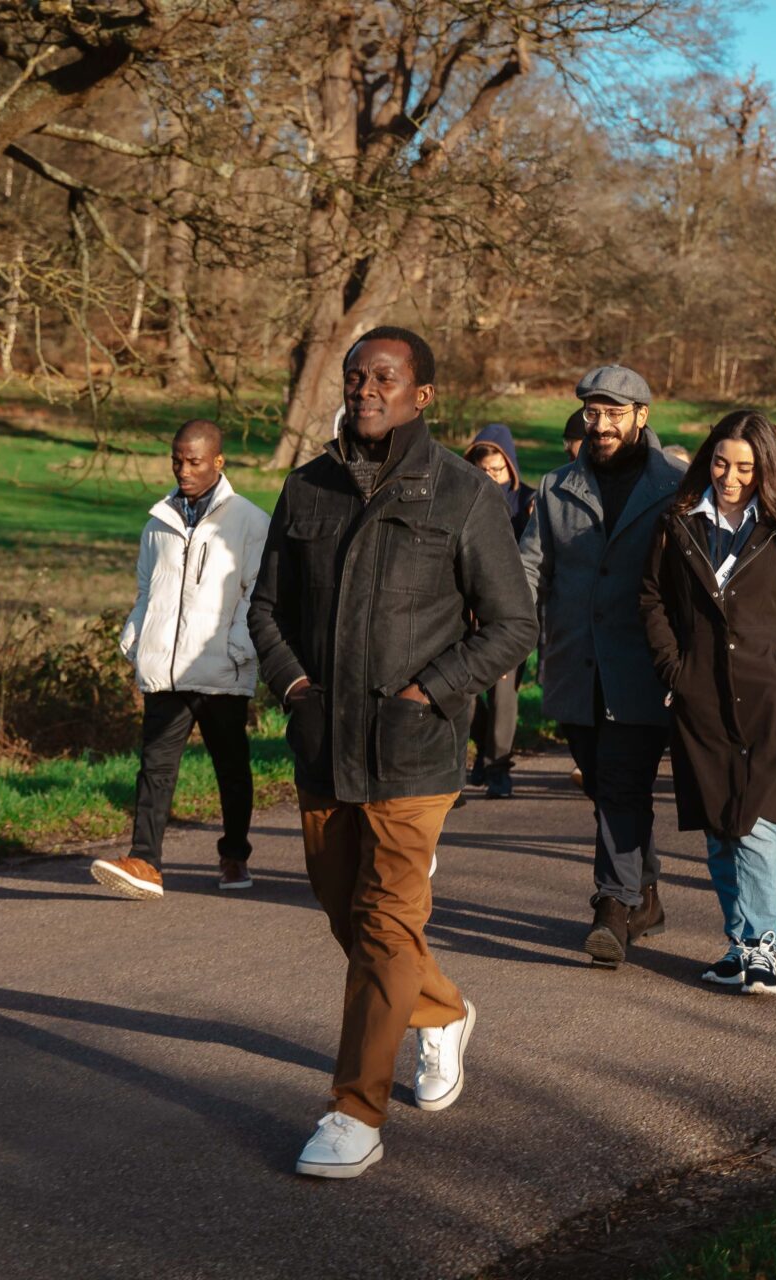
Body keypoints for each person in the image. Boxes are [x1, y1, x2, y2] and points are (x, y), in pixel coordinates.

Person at [248, 326, 536, 1179]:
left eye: (386, 377)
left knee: (382, 922)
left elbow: (513, 625)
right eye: (355, 375)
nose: (367, 388)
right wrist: (297, 691)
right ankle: (442, 1012)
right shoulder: (306, 489)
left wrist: (430, 691)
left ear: (421, 396)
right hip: (323, 745)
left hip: (414, 755)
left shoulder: (462, 495)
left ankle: (353, 1112)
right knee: (346, 911)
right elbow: (266, 609)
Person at [640, 411, 776, 996]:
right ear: (708, 459)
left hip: (771, 695)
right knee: (719, 828)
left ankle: (762, 946)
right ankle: (738, 942)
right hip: (699, 696)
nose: (730, 477)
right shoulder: (677, 522)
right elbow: (651, 599)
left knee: (757, 823)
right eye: (722, 463)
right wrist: (674, 668)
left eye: (746, 468)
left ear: (765, 469)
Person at [518, 364, 686, 968]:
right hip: (574, 666)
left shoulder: (676, 486)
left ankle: (610, 909)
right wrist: (512, 627)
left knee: (622, 782)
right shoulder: (556, 486)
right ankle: (647, 897)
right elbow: (531, 568)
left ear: (643, 416)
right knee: (603, 785)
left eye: (615, 413)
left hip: (642, 667)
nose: (602, 424)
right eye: (593, 412)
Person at [93, 419, 271, 900]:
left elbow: (258, 595)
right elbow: (147, 590)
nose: (183, 469)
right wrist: (135, 637)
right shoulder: (158, 524)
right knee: (154, 767)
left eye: (194, 461)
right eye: (177, 460)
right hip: (166, 670)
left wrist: (239, 648)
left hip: (220, 671)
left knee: (231, 768)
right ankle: (145, 861)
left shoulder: (251, 523)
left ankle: (234, 855)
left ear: (218, 461)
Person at [464, 425, 534, 799]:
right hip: (467, 617)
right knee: (468, 695)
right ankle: (483, 754)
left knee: (504, 692)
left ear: (511, 468)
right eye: (483, 471)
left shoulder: (528, 504)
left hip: (511, 617)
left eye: (497, 470)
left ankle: (498, 768)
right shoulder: (461, 501)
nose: (490, 478)